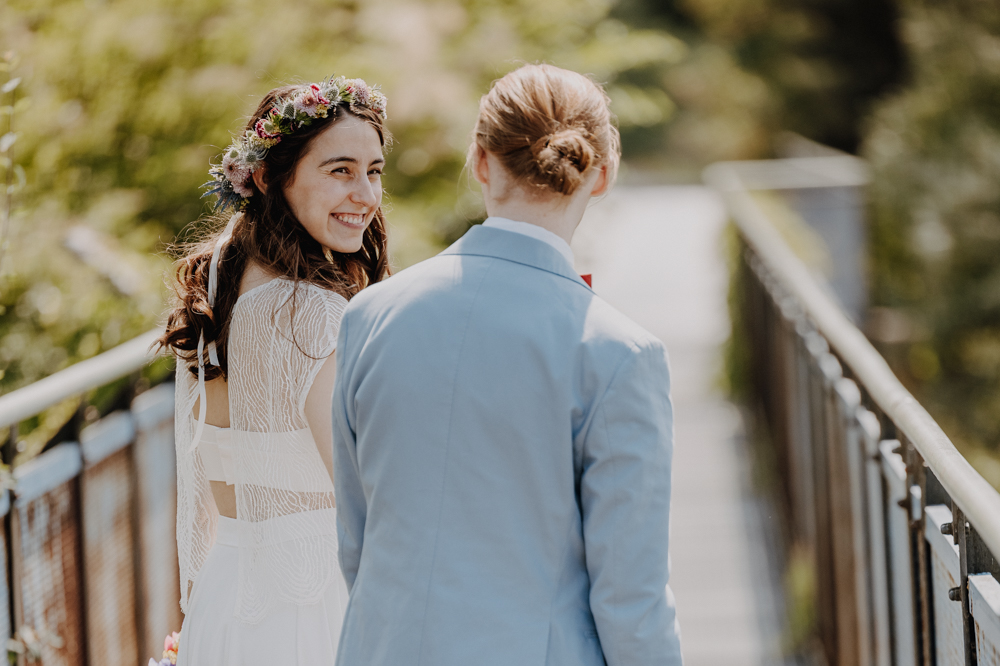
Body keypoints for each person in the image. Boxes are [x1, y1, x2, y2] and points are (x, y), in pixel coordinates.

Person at [333, 63, 683, 665]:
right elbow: (632, 600)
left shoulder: (369, 316)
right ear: (601, 176)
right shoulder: (619, 354)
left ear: (480, 162)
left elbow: (358, 544)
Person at [158, 75, 390, 665]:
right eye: (340, 170)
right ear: (267, 177)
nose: (364, 193)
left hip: (227, 600)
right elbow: (371, 498)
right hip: (311, 608)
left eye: (375, 171)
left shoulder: (225, 289)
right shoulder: (308, 311)